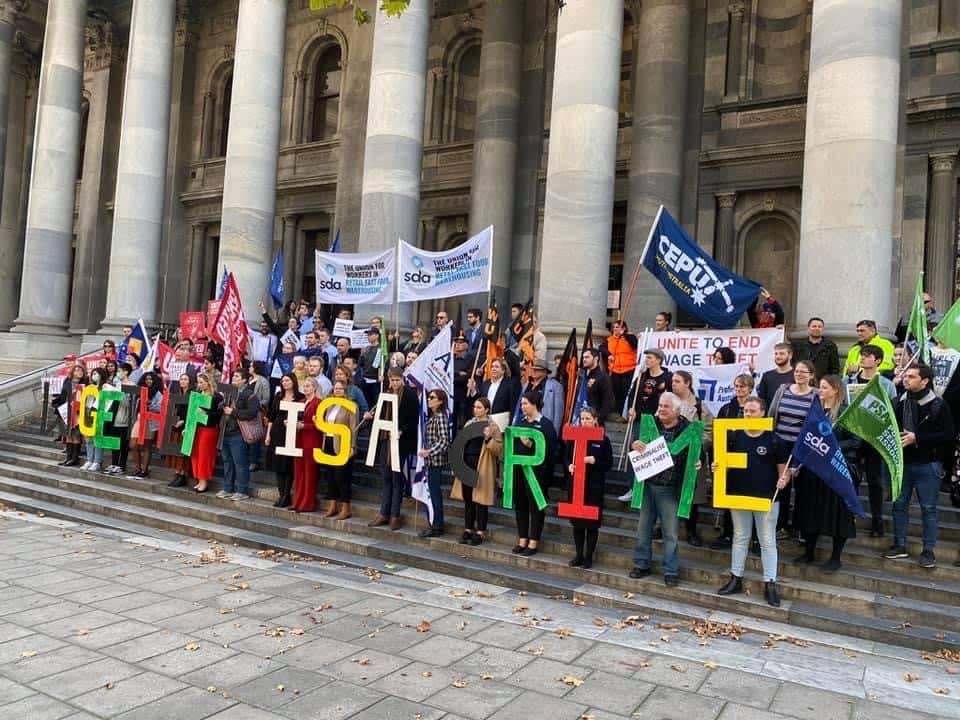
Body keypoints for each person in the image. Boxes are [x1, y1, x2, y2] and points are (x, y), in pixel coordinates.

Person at [714, 396, 790, 607]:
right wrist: (717, 468)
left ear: (763, 412)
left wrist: (785, 479)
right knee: (740, 537)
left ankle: (770, 583)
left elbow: (784, 472)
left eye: (753, 411)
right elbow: (723, 463)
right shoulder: (734, 437)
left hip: (766, 499)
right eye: (746, 411)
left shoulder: (774, 440)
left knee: (767, 541)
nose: (748, 414)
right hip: (738, 496)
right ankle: (735, 578)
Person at [886, 364, 954, 568]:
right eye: (905, 376)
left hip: (928, 465)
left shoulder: (939, 405)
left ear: (924, 381)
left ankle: (928, 550)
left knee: (928, 508)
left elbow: (948, 435)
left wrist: (918, 438)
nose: (906, 379)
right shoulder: (898, 401)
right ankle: (899, 544)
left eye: (912, 377)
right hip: (903, 464)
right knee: (899, 505)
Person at [792, 375, 860, 572]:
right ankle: (809, 552)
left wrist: (831, 447)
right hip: (813, 472)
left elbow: (856, 441)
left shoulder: (847, 413)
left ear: (836, 390)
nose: (819, 390)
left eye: (824, 387)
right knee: (810, 512)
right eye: (820, 387)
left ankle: (835, 557)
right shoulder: (815, 412)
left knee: (838, 515)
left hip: (836, 472)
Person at [628, 392, 692, 587]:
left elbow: (698, 454)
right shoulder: (650, 424)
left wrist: (698, 462)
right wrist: (634, 444)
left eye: (666, 406)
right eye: (660, 405)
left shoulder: (687, 429)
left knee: (671, 533)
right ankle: (641, 564)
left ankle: (671, 571)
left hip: (670, 488)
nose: (661, 409)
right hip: (647, 484)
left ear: (676, 411)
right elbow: (636, 446)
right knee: (643, 528)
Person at [366, 368, 419, 530]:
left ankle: (395, 514)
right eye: (392, 380)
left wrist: (402, 430)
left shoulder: (409, 395)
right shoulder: (385, 393)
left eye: (397, 380)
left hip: (400, 441)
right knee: (386, 477)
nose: (395, 383)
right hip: (384, 440)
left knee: (396, 477)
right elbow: (380, 414)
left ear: (402, 379)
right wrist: (371, 417)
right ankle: (384, 513)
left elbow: (413, 418)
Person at [510, 391, 558, 557]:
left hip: (537, 473)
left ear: (534, 404)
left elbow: (552, 450)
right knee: (520, 505)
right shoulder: (520, 423)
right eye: (522, 404)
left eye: (525, 404)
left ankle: (534, 541)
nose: (522, 407)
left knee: (536, 506)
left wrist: (531, 444)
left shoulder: (545, 425)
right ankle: (522, 538)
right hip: (519, 470)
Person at [452, 397, 503, 546]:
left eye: (479, 407)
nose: (476, 410)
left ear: (487, 409)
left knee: (481, 500)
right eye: (475, 407)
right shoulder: (469, 423)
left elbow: (498, 449)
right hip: (467, 463)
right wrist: (457, 464)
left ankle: (480, 531)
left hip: (483, 465)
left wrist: (488, 439)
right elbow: (461, 444)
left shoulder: (493, 426)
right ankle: (468, 528)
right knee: (468, 499)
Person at [566, 405, 612, 569]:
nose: (584, 421)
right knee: (577, 524)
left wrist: (595, 461)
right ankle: (578, 555)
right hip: (576, 486)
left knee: (591, 525)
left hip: (593, 488)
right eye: (582, 418)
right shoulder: (574, 437)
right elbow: (566, 457)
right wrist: (569, 465)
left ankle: (588, 557)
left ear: (595, 421)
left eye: (588, 419)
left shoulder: (603, 439)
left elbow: (609, 463)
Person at [671, 370, 713, 547]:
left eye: (677, 381)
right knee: (669, 493)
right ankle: (665, 525)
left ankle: (691, 530)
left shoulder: (699, 405)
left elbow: (709, 430)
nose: (673, 383)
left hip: (692, 457)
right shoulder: (668, 402)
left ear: (687, 383)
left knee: (692, 496)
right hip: (672, 457)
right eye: (672, 381)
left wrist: (696, 445)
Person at [320, 379, 358, 520]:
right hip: (329, 442)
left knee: (341, 477)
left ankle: (345, 508)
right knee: (330, 476)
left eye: (340, 389)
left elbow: (354, 428)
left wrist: (352, 446)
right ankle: (332, 505)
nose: (337, 391)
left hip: (342, 444)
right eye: (336, 389)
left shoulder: (351, 406)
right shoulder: (329, 405)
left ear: (345, 391)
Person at [219, 368, 258, 501]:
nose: (233, 378)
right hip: (226, 431)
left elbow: (252, 413)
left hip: (238, 434)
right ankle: (227, 488)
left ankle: (242, 490)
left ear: (244, 380)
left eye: (236, 376)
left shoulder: (249, 394)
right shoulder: (228, 393)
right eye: (233, 376)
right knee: (227, 462)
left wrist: (233, 412)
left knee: (240, 462)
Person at [265, 372, 303, 507]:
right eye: (283, 381)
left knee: (288, 466)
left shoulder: (300, 398)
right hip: (277, 432)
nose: (285, 383)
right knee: (278, 466)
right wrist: (268, 435)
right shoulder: (278, 396)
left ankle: (287, 495)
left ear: (293, 381)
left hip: (292, 433)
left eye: (287, 380)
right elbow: (271, 417)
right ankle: (282, 495)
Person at [417, 388, 451, 538]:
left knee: (435, 494)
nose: (429, 400)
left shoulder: (440, 417)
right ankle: (434, 523)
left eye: (432, 397)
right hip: (429, 462)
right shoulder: (432, 417)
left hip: (435, 462)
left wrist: (429, 451)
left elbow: (444, 441)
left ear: (440, 401)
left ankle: (437, 525)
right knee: (432, 493)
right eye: (429, 397)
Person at [291, 376, 323, 512]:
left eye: (308, 386)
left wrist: (304, 426)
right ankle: (297, 501)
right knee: (299, 472)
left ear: (314, 388)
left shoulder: (319, 403)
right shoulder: (301, 401)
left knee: (310, 473)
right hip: (299, 440)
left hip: (312, 440)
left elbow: (320, 425)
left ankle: (308, 503)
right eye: (304, 386)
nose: (306, 388)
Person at [190, 372, 223, 493]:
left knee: (204, 455)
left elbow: (219, 414)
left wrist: (206, 413)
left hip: (209, 429)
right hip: (196, 427)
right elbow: (191, 412)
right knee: (196, 455)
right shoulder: (197, 394)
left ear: (208, 382)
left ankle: (204, 481)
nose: (199, 385)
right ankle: (199, 479)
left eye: (202, 383)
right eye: (198, 383)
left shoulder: (217, 396)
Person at [129, 371, 163, 478]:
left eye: (151, 379)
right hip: (139, 419)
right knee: (133, 444)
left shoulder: (158, 393)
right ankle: (137, 468)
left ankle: (144, 470)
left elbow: (161, 408)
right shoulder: (140, 390)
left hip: (150, 420)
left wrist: (150, 404)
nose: (148, 381)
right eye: (146, 379)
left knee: (146, 445)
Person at [102, 363, 134, 475]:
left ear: (126, 372)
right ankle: (114, 463)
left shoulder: (131, 385)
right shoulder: (117, 384)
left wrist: (119, 394)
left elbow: (128, 404)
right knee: (113, 441)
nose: (118, 373)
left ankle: (121, 465)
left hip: (123, 417)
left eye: (120, 371)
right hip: (113, 416)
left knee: (123, 443)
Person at [601, 320, 638, 419]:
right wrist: (608, 355)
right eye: (614, 327)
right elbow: (601, 348)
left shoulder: (630, 337)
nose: (615, 328)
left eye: (618, 327)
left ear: (624, 328)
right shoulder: (609, 340)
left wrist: (624, 335)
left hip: (629, 369)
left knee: (627, 392)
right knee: (617, 392)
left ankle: (625, 413)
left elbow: (635, 344)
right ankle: (618, 413)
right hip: (615, 370)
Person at [166, 373, 196, 487]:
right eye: (181, 379)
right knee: (175, 451)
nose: (182, 381)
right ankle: (177, 473)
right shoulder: (177, 393)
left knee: (182, 451)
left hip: (186, 425)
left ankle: (182, 474)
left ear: (190, 381)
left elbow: (192, 410)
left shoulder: (193, 394)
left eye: (185, 379)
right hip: (176, 425)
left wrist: (183, 421)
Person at [519, 360, 564, 431]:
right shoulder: (527, 384)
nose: (534, 371)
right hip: (525, 423)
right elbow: (519, 405)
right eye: (533, 369)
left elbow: (558, 413)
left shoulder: (555, 386)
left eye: (537, 369)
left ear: (545, 372)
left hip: (543, 424)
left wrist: (554, 432)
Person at [55, 364, 86, 466]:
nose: (79, 372)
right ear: (72, 372)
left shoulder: (85, 383)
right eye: (77, 370)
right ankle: (68, 457)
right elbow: (62, 394)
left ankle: (74, 458)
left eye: (81, 370)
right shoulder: (67, 381)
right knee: (68, 435)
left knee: (76, 435)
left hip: (78, 412)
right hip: (66, 410)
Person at [629, 348, 671, 421]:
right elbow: (632, 395)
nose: (646, 360)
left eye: (649, 357)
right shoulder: (641, 377)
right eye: (646, 357)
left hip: (657, 420)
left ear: (658, 360)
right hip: (639, 418)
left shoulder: (667, 378)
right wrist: (631, 409)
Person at [81, 368, 107, 472]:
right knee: (88, 439)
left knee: (98, 439)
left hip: (100, 414)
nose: (94, 375)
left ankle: (97, 461)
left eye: (96, 373)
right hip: (88, 414)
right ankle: (89, 460)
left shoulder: (105, 387)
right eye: (93, 374)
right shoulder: (89, 387)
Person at [756, 342, 795, 409]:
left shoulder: (797, 375)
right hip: (769, 417)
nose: (778, 356)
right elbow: (761, 400)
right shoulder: (767, 376)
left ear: (790, 355)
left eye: (781, 353)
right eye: (776, 354)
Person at [581, 348, 615, 422]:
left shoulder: (603, 377)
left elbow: (608, 403)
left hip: (595, 423)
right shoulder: (581, 377)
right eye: (583, 357)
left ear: (596, 358)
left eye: (587, 357)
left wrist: (598, 419)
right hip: (580, 420)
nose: (584, 359)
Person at [452, 332, 476, 428]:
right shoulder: (452, 358)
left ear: (466, 345)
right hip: (452, 394)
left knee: (462, 421)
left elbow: (468, 376)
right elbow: (449, 374)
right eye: (456, 342)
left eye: (461, 342)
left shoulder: (470, 358)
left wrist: (456, 376)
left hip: (463, 395)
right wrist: (458, 373)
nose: (457, 344)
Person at [359, 327, 383, 407]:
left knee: (375, 404)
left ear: (377, 336)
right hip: (365, 380)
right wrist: (361, 355)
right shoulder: (366, 348)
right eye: (368, 334)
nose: (368, 336)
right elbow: (361, 364)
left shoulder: (381, 349)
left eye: (370, 334)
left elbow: (381, 364)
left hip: (375, 381)